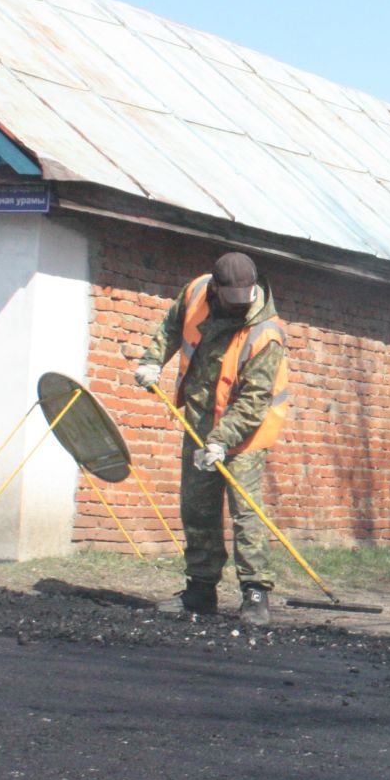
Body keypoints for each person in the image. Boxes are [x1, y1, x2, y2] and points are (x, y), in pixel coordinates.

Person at [134, 252, 290, 627]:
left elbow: (254, 401)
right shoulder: (196, 293)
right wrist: (153, 359)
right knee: (198, 507)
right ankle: (200, 590)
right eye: (231, 299)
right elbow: (172, 326)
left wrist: (221, 440)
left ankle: (255, 593)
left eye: (245, 299)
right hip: (200, 418)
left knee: (245, 512)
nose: (240, 307)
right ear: (216, 289)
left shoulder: (265, 332)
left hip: (246, 430)